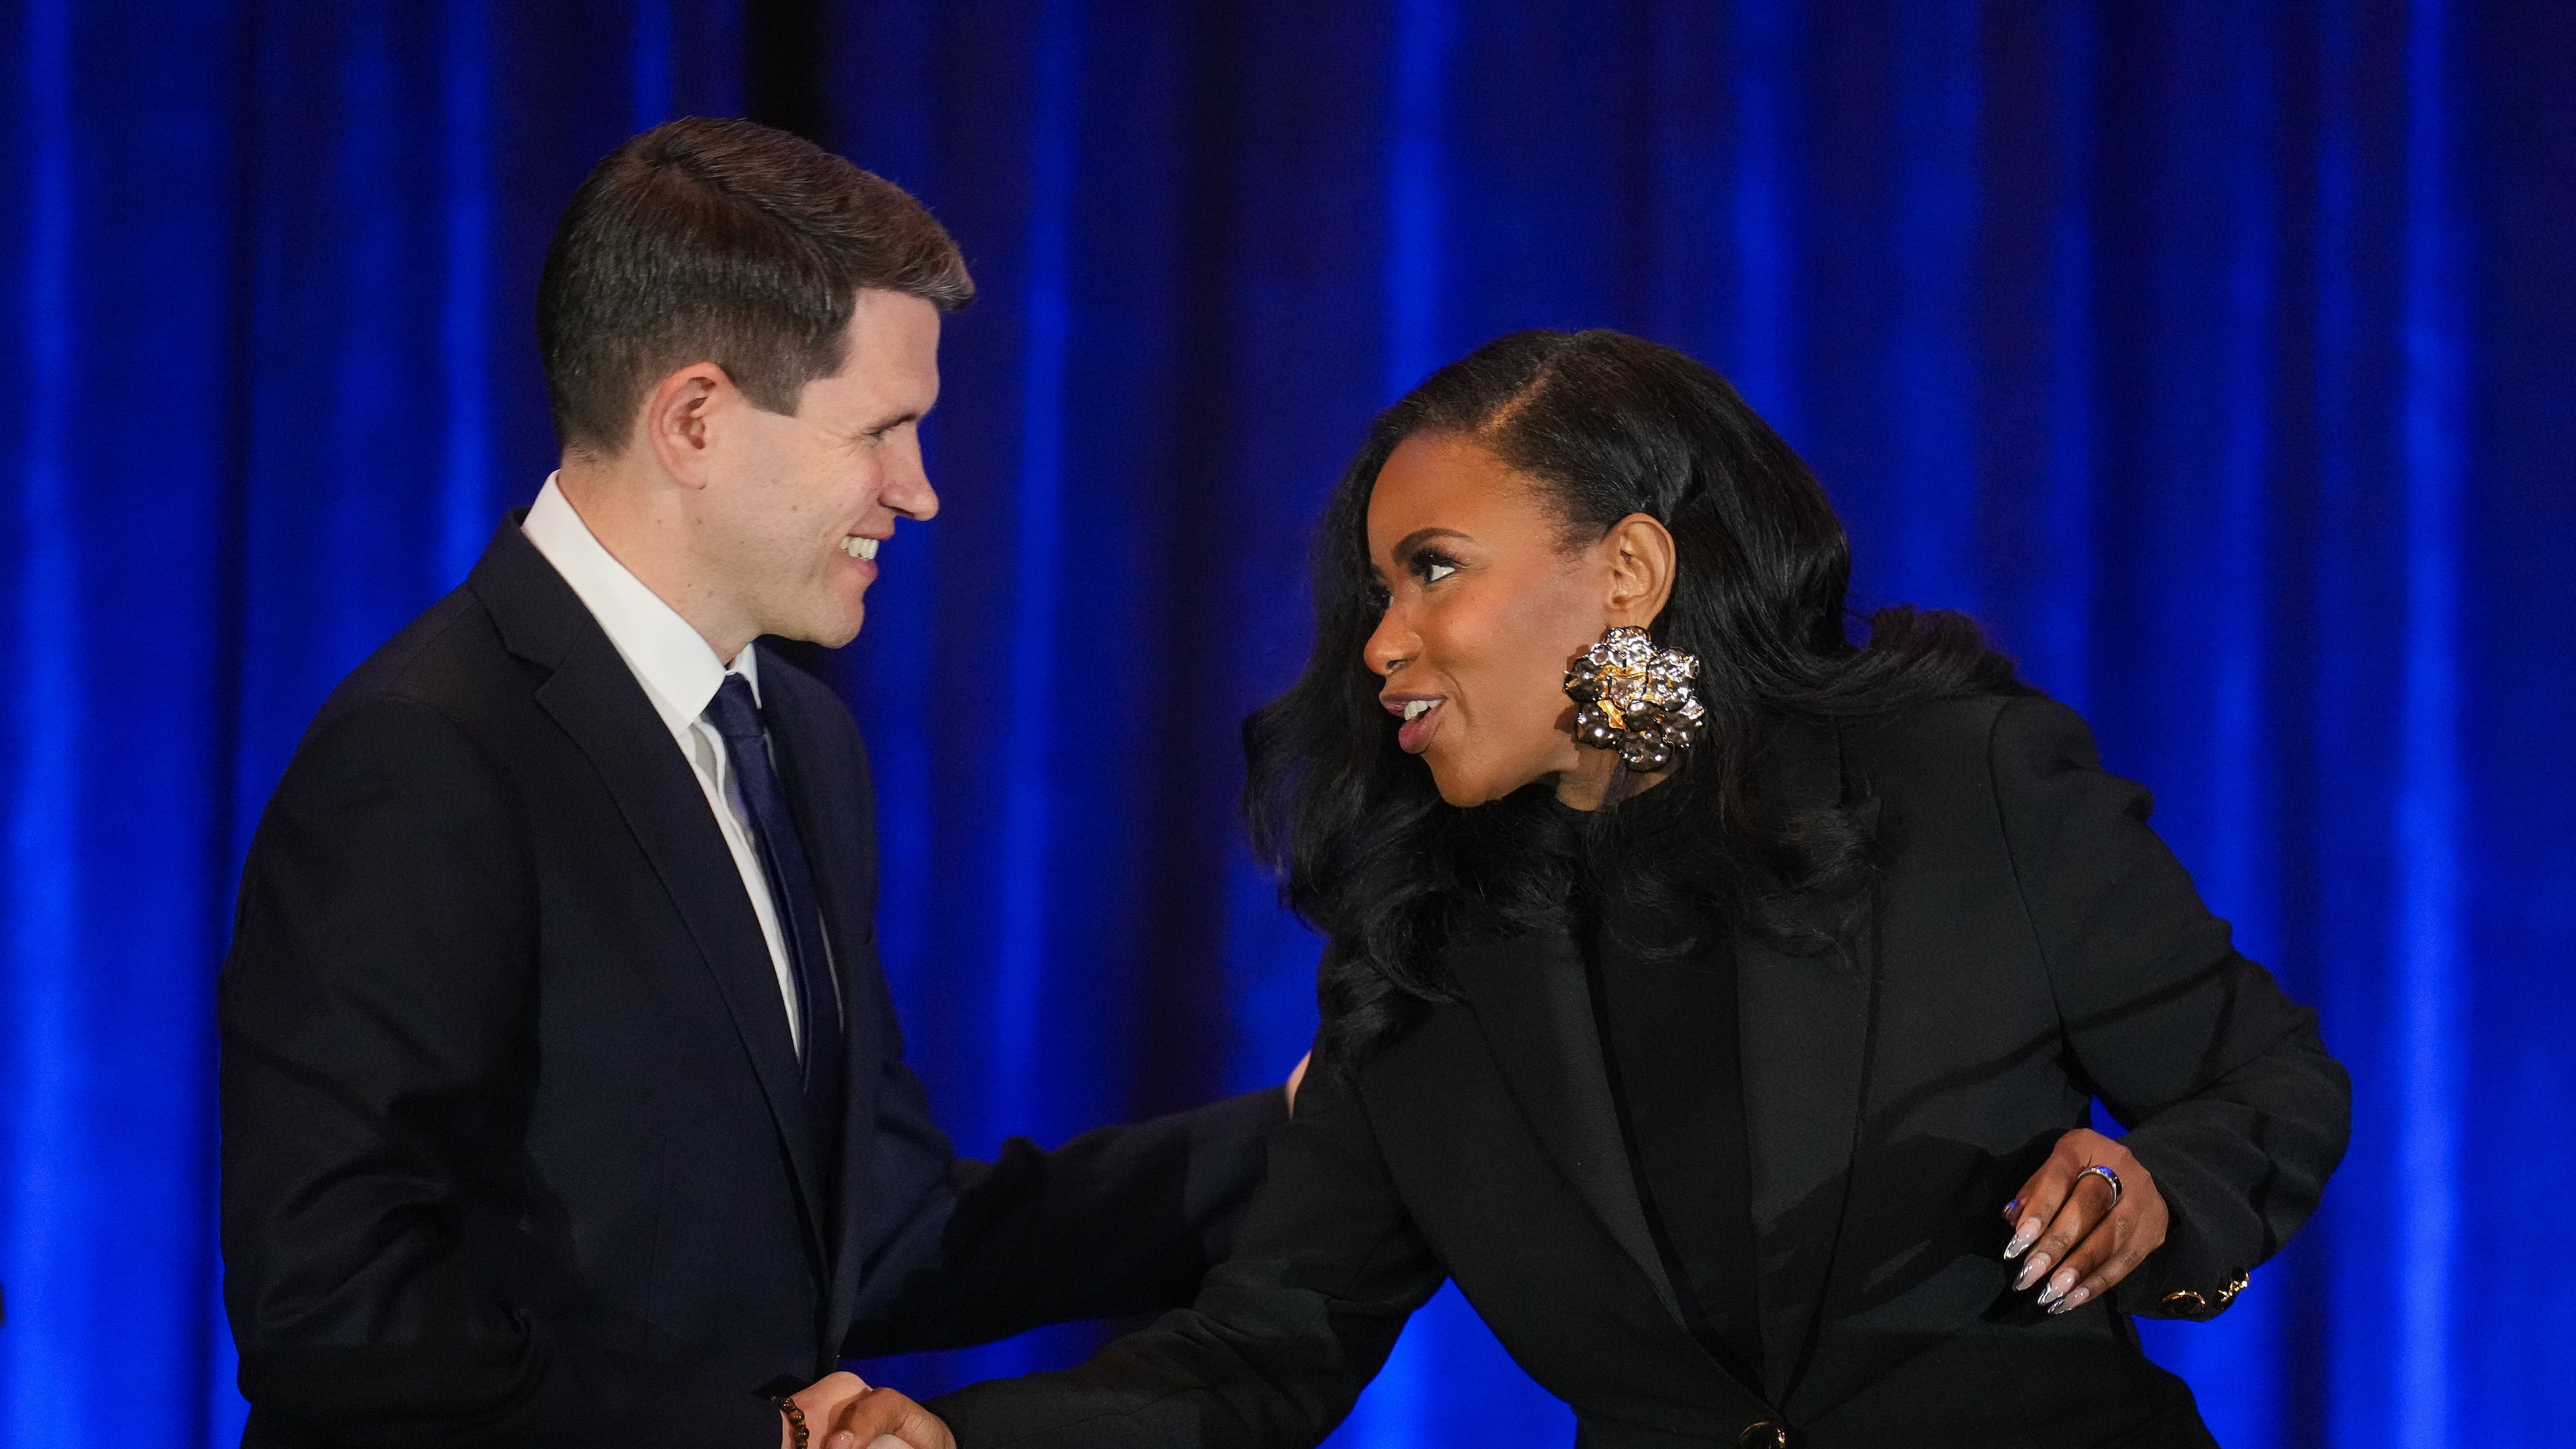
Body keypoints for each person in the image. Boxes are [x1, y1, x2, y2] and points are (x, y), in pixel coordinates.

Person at [836, 329, 2353, 1448]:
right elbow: (1267, 1348)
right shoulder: (1421, 947)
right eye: (1375, 592)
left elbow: (2266, 1080)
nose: (1380, 642)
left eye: (1432, 568)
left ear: (1627, 573)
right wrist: (960, 1442)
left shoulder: (1961, 783)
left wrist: (2159, 1193)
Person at [219, 117, 1300, 1449]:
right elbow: (336, 1309)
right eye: (882, 431)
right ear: (694, 420)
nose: (920, 493)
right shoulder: (427, 755)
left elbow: (887, 1234)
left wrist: (1304, 1136)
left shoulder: (799, 742)